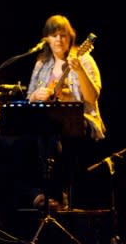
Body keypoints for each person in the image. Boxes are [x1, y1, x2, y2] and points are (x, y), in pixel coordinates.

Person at [17, 14, 106, 210]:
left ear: (71, 37)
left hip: (79, 121)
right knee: (9, 139)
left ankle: (55, 195)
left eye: (63, 35)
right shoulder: (41, 63)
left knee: (49, 133)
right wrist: (35, 96)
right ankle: (37, 194)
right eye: (54, 35)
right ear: (46, 39)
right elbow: (29, 96)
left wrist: (80, 70)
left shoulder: (84, 59)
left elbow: (92, 98)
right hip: (45, 121)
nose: (58, 39)